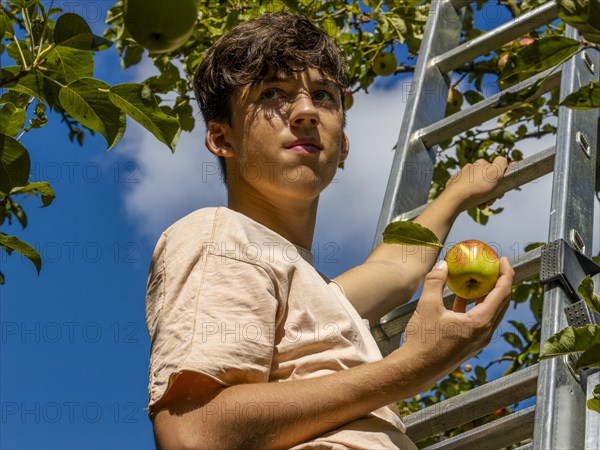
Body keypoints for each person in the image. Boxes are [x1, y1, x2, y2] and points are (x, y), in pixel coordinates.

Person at [145, 11, 514, 449]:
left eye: (322, 96)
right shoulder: (219, 236)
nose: (304, 112)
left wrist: (455, 195)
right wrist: (414, 366)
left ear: (342, 144)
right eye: (273, 94)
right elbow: (195, 433)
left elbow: (397, 270)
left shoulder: (311, 289)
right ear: (221, 139)